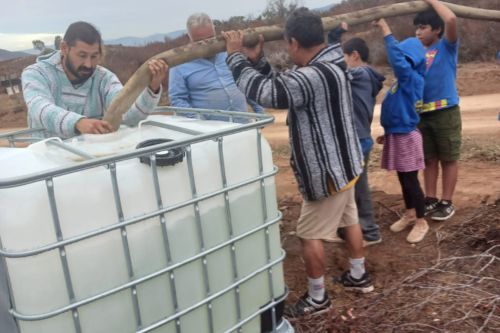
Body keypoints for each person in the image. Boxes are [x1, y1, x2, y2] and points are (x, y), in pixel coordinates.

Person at [222, 8, 374, 318]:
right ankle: (359, 277)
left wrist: (235, 58)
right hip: (346, 166)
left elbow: (269, 92)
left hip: (327, 172)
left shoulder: (312, 75)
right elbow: (285, 87)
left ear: (293, 42)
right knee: (349, 220)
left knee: (308, 234)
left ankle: (318, 298)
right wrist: (256, 61)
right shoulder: (333, 62)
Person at [22, 21, 167, 139]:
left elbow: (127, 116)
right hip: (45, 161)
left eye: (94, 56)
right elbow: (39, 108)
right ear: (64, 48)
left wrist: (152, 89)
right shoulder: (36, 74)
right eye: (82, 55)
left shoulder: (104, 78)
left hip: (90, 159)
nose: (88, 64)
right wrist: (78, 123)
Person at [328, 23, 385, 247]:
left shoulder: (360, 74)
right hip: (359, 139)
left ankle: (369, 232)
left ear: (354, 55)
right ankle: (352, 228)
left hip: (358, 140)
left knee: (355, 187)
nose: (341, 62)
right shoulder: (367, 76)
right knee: (353, 186)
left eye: (343, 57)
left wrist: (333, 36)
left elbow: (335, 69)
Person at [373, 18, 429, 244]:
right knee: (404, 179)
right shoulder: (402, 82)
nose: (400, 63)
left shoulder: (411, 78)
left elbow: (397, 60)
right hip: (398, 134)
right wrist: (388, 134)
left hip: (407, 136)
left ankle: (421, 221)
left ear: (412, 61)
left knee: (411, 180)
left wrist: (387, 32)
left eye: (405, 59)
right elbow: (398, 109)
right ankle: (410, 214)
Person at [168, 13, 263, 121]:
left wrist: (259, 111)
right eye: (199, 42)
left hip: (243, 126)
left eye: (210, 38)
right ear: (190, 37)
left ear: (214, 31)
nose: (206, 45)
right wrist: (201, 123)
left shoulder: (231, 52)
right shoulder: (179, 63)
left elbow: (245, 82)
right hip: (211, 134)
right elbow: (178, 100)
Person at [414, 0, 460, 221]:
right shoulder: (417, 53)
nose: (418, 32)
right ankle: (430, 199)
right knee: (429, 159)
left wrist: (432, 1)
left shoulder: (447, 46)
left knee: (448, 158)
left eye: (423, 27)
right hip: (423, 114)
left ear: (437, 29)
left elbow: (451, 18)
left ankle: (446, 202)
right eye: (417, 27)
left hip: (446, 112)